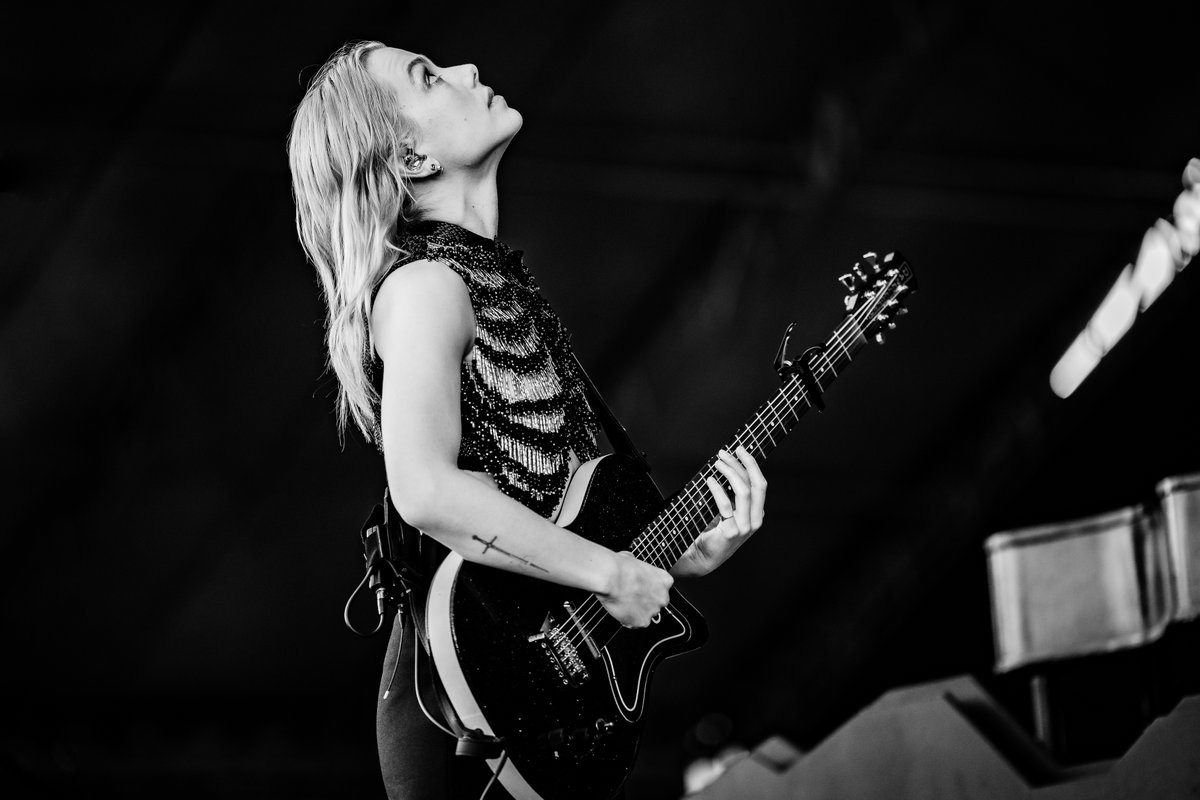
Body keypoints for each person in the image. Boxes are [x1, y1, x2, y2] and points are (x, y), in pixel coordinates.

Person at [287, 40, 767, 800]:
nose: (468, 72)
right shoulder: (424, 287)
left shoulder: (486, 278)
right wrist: (611, 572)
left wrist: (675, 557)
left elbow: (544, 519)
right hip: (465, 717)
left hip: (516, 694)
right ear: (410, 155)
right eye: (429, 78)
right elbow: (425, 492)